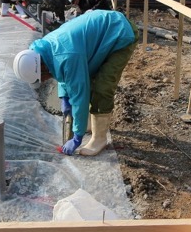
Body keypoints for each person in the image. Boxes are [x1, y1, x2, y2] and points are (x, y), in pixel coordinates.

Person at [13, 10, 136, 157]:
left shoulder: (67, 56)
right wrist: (64, 97)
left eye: (42, 77)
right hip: (103, 31)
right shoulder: (44, 49)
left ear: (41, 67)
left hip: (120, 33)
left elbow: (79, 96)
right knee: (88, 78)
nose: (44, 80)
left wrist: (77, 137)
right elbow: (60, 69)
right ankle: (91, 124)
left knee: (102, 86)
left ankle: (99, 138)